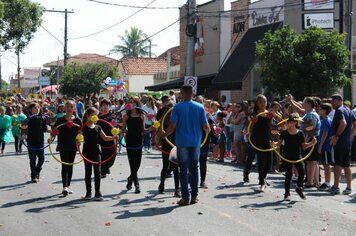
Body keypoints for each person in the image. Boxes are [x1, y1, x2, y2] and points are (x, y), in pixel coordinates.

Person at [161, 85, 210, 206]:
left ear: (183, 94)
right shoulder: (200, 107)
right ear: (192, 94)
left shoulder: (177, 107)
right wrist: (209, 131)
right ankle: (194, 196)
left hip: (182, 142)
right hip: (195, 142)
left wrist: (164, 134)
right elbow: (206, 127)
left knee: (183, 169)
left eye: (180, 94)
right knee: (194, 168)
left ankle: (185, 197)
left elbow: (172, 126)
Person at [272, 113, 317, 201]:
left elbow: (304, 146)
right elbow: (279, 144)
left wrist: (312, 143)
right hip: (287, 156)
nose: (287, 123)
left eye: (289, 122)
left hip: (297, 156)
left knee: (302, 172)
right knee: (288, 175)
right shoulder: (284, 133)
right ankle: (287, 193)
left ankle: (299, 188)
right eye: (288, 121)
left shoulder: (300, 133)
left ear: (294, 123)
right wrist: (273, 144)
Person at [80, 107, 117, 201]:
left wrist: (114, 137)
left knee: (98, 172)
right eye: (93, 115)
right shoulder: (83, 127)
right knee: (88, 172)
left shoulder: (98, 127)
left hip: (97, 151)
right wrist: (78, 141)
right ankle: (88, 192)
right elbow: (78, 138)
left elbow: (105, 138)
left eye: (96, 115)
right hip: (87, 152)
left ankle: (98, 192)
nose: (96, 117)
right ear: (88, 116)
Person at [50, 100, 82, 196]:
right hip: (63, 145)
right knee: (65, 165)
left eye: (71, 107)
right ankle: (64, 187)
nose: (69, 108)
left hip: (73, 145)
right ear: (64, 108)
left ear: (74, 108)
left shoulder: (77, 120)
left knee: (70, 165)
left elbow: (81, 132)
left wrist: (79, 140)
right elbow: (54, 131)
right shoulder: (60, 120)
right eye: (67, 106)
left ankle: (68, 185)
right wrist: (51, 138)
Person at [122, 97, 151, 194]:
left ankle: (130, 178)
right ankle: (137, 185)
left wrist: (152, 128)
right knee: (132, 163)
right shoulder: (126, 116)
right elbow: (123, 131)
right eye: (130, 102)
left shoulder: (142, 115)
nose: (132, 104)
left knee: (137, 164)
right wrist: (120, 131)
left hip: (139, 140)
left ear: (137, 104)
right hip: (130, 140)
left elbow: (143, 130)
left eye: (134, 102)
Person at [155, 95, 180, 197]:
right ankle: (162, 184)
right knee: (165, 165)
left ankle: (177, 189)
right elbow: (157, 125)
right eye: (166, 101)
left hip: (174, 140)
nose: (169, 102)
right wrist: (158, 137)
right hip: (165, 140)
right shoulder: (161, 112)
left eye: (170, 100)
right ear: (163, 103)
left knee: (175, 166)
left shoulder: (176, 111)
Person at [329, 94, 354, 195]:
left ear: (339, 100)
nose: (331, 103)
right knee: (346, 165)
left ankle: (336, 187)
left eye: (333, 101)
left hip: (339, 142)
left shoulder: (340, 111)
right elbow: (354, 124)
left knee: (337, 165)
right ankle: (348, 187)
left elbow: (343, 123)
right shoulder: (348, 110)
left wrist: (336, 136)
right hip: (346, 142)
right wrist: (350, 135)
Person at [247, 95, 273, 192]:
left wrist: (274, 135)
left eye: (264, 101)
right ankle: (262, 182)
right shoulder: (254, 114)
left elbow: (271, 126)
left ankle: (263, 177)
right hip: (257, 138)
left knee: (269, 161)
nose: (263, 104)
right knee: (261, 161)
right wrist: (248, 132)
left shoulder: (269, 114)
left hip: (267, 138)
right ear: (257, 103)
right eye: (261, 102)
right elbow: (250, 125)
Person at [24, 103, 48, 183]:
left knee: (42, 159)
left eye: (38, 107)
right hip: (31, 142)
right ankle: (33, 176)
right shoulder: (28, 119)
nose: (37, 109)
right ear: (30, 110)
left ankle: (37, 171)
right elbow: (23, 128)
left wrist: (54, 131)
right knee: (33, 160)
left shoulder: (42, 118)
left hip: (40, 142)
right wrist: (22, 129)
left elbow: (45, 129)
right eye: (34, 108)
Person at [301, 97, 321, 188]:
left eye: (304, 102)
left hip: (310, 138)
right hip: (311, 138)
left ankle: (310, 181)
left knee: (310, 161)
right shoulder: (309, 113)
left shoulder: (312, 114)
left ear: (309, 104)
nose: (302, 103)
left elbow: (311, 126)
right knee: (313, 161)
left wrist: (306, 139)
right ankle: (315, 181)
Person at [98, 99, 117, 178]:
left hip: (111, 138)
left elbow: (116, 126)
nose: (105, 107)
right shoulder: (98, 117)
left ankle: (105, 167)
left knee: (113, 154)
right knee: (104, 155)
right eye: (104, 106)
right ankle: (103, 170)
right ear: (101, 107)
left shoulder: (112, 116)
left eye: (107, 106)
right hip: (102, 138)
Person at [317, 103, 333, 191]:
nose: (319, 111)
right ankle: (327, 182)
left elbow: (325, 134)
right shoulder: (324, 120)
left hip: (326, 146)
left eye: (320, 109)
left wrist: (320, 146)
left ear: (325, 110)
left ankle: (327, 182)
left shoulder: (326, 120)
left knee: (326, 165)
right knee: (325, 164)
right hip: (325, 146)